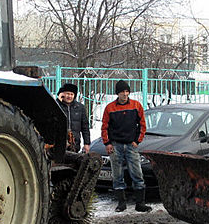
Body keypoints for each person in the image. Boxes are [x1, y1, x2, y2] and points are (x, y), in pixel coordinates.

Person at [101, 80, 151, 213]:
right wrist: (107, 143)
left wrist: (137, 141)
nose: (124, 94)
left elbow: (142, 125)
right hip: (115, 145)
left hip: (131, 145)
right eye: (122, 92)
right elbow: (104, 127)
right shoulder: (110, 108)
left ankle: (140, 203)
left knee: (137, 173)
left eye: (127, 91)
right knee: (117, 175)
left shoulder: (136, 105)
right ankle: (121, 203)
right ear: (117, 93)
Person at [56, 83, 91, 153]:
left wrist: (87, 143)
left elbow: (85, 127)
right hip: (59, 144)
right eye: (67, 94)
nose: (69, 96)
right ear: (62, 94)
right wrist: (58, 101)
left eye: (71, 94)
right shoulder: (57, 106)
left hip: (74, 144)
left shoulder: (80, 108)